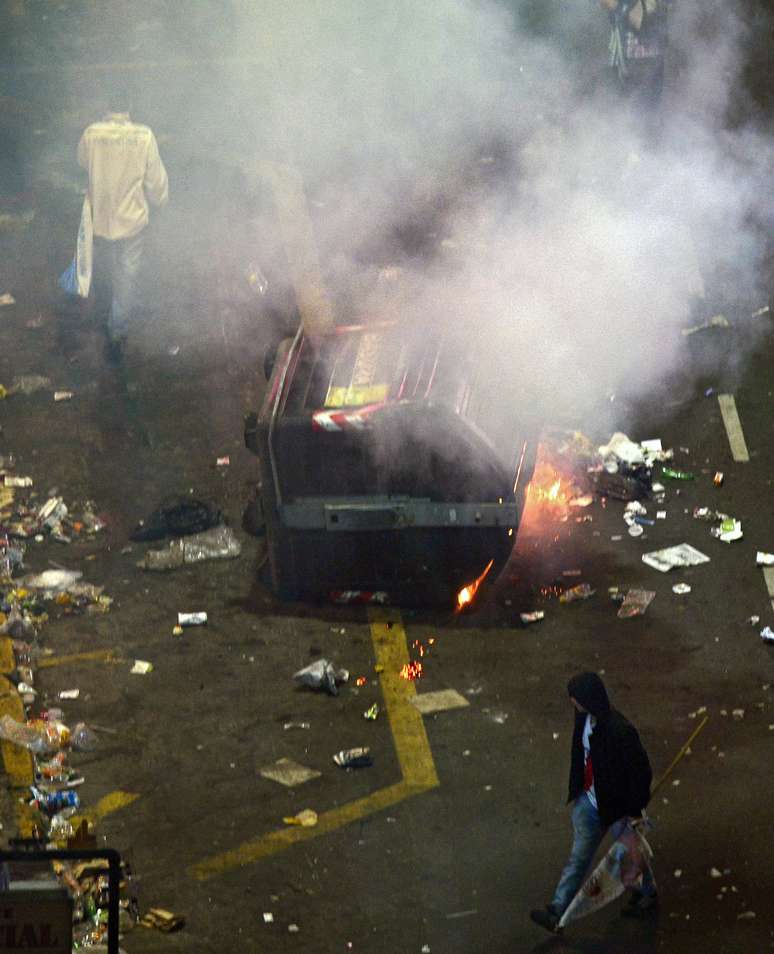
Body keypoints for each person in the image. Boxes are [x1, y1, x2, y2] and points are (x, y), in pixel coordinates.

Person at [530, 672, 657, 934]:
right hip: (590, 804)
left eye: (574, 698)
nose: (572, 702)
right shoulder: (584, 719)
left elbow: (641, 773)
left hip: (617, 810)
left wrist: (633, 810)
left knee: (630, 857)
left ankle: (647, 893)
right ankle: (557, 909)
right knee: (579, 859)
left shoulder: (621, 732)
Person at [77, 95, 168, 359]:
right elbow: (156, 181)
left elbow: (82, 161)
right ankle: (116, 331)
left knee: (105, 269)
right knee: (126, 275)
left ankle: (102, 314)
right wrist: (162, 202)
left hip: (100, 220)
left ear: (106, 107)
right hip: (131, 222)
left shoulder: (92, 134)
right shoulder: (144, 136)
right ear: (130, 107)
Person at [602, 0, 670, 119]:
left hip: (654, 53)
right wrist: (624, 8)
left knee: (650, 113)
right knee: (621, 110)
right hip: (624, 54)